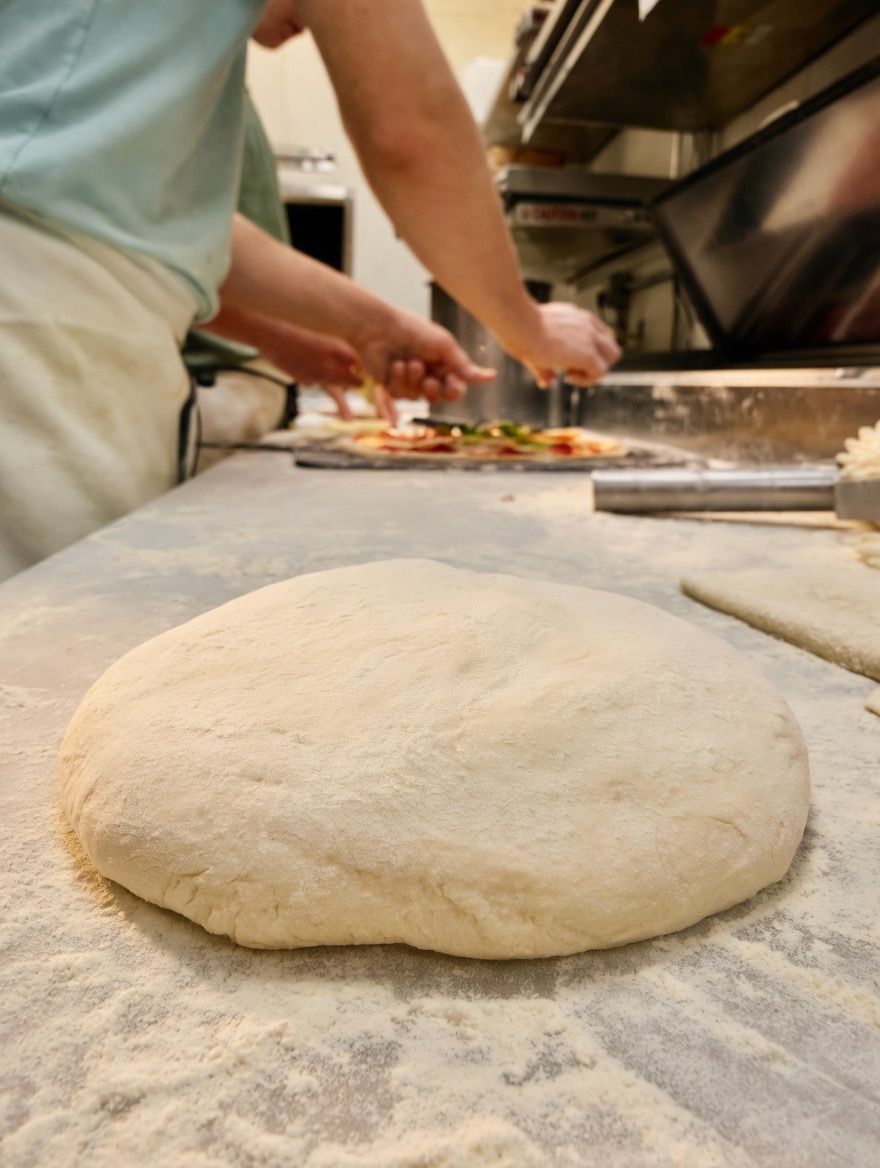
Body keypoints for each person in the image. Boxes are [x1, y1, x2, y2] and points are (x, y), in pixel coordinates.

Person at [0, 0, 619, 582]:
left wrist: (371, 324)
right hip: (36, 329)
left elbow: (160, 223)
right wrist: (528, 328)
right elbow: (410, 127)